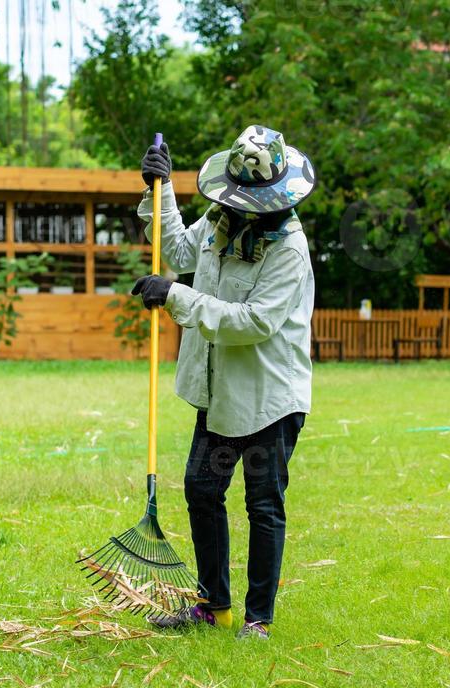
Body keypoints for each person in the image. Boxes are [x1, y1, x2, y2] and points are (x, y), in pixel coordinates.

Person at [131, 126, 317, 640]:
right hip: (221, 394)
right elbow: (177, 250)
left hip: (269, 400)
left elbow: (252, 322)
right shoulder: (219, 220)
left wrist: (176, 298)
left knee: (263, 505)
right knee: (201, 489)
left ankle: (258, 619)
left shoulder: (289, 250)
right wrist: (159, 189)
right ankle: (214, 606)